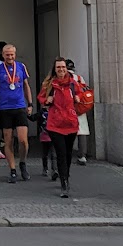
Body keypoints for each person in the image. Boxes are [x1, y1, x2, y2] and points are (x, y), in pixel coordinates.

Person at [0, 42, 32, 182]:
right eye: (7, 55)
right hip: (5, 108)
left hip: (19, 107)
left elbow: (26, 86)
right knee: (8, 141)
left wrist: (30, 104)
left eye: (12, 54)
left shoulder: (21, 67)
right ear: (3, 55)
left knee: (23, 140)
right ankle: (12, 170)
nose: (10, 57)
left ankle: (23, 162)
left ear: (15, 54)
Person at [38, 58, 81, 197]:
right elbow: (41, 97)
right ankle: (64, 183)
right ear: (55, 69)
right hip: (55, 124)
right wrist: (46, 100)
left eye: (63, 67)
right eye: (58, 67)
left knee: (68, 153)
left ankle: (66, 175)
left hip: (70, 123)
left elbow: (79, 93)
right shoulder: (50, 84)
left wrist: (78, 97)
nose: (61, 69)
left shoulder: (73, 83)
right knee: (61, 153)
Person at [67, 58, 91, 163]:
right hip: (80, 108)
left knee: (67, 131)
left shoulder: (64, 78)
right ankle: (82, 155)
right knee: (82, 131)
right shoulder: (80, 78)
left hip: (68, 108)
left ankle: (66, 153)